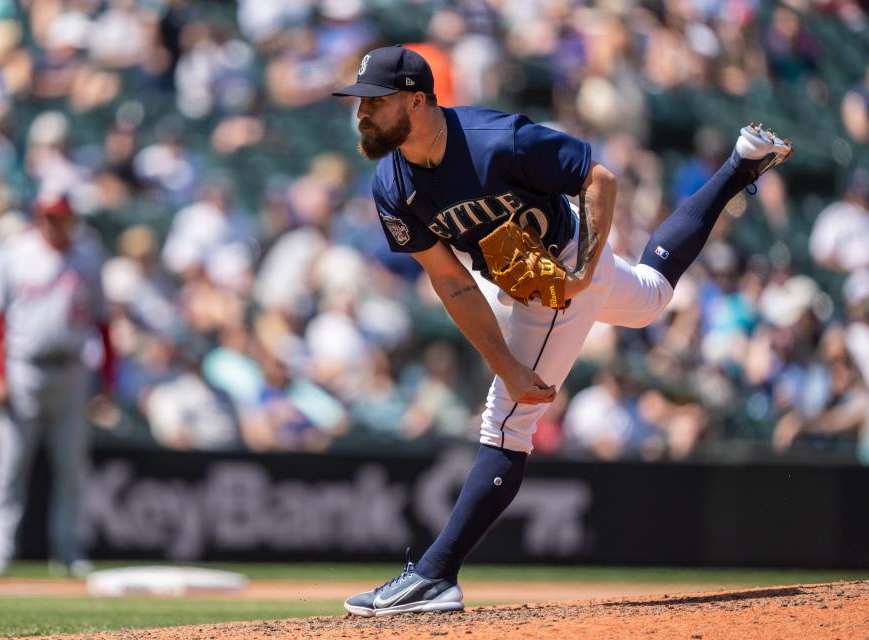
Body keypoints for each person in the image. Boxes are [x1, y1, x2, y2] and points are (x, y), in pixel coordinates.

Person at [332, 45, 792, 617]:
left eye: (375, 101)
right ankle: (741, 164)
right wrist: (505, 360)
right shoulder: (390, 184)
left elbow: (599, 178)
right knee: (650, 296)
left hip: (563, 262)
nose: (363, 112)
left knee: (506, 423)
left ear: (417, 100)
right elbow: (451, 283)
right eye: (360, 103)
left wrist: (580, 272)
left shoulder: (499, 139)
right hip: (535, 277)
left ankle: (435, 575)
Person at [0, 193, 114, 577]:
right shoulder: (15, 254)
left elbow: (103, 324)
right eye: (49, 216)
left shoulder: (88, 257)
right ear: (39, 218)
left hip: (72, 369)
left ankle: (69, 551)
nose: (55, 223)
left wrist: (107, 381)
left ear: (71, 218)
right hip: (24, 368)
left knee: (71, 467)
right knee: (10, 465)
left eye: (61, 217)